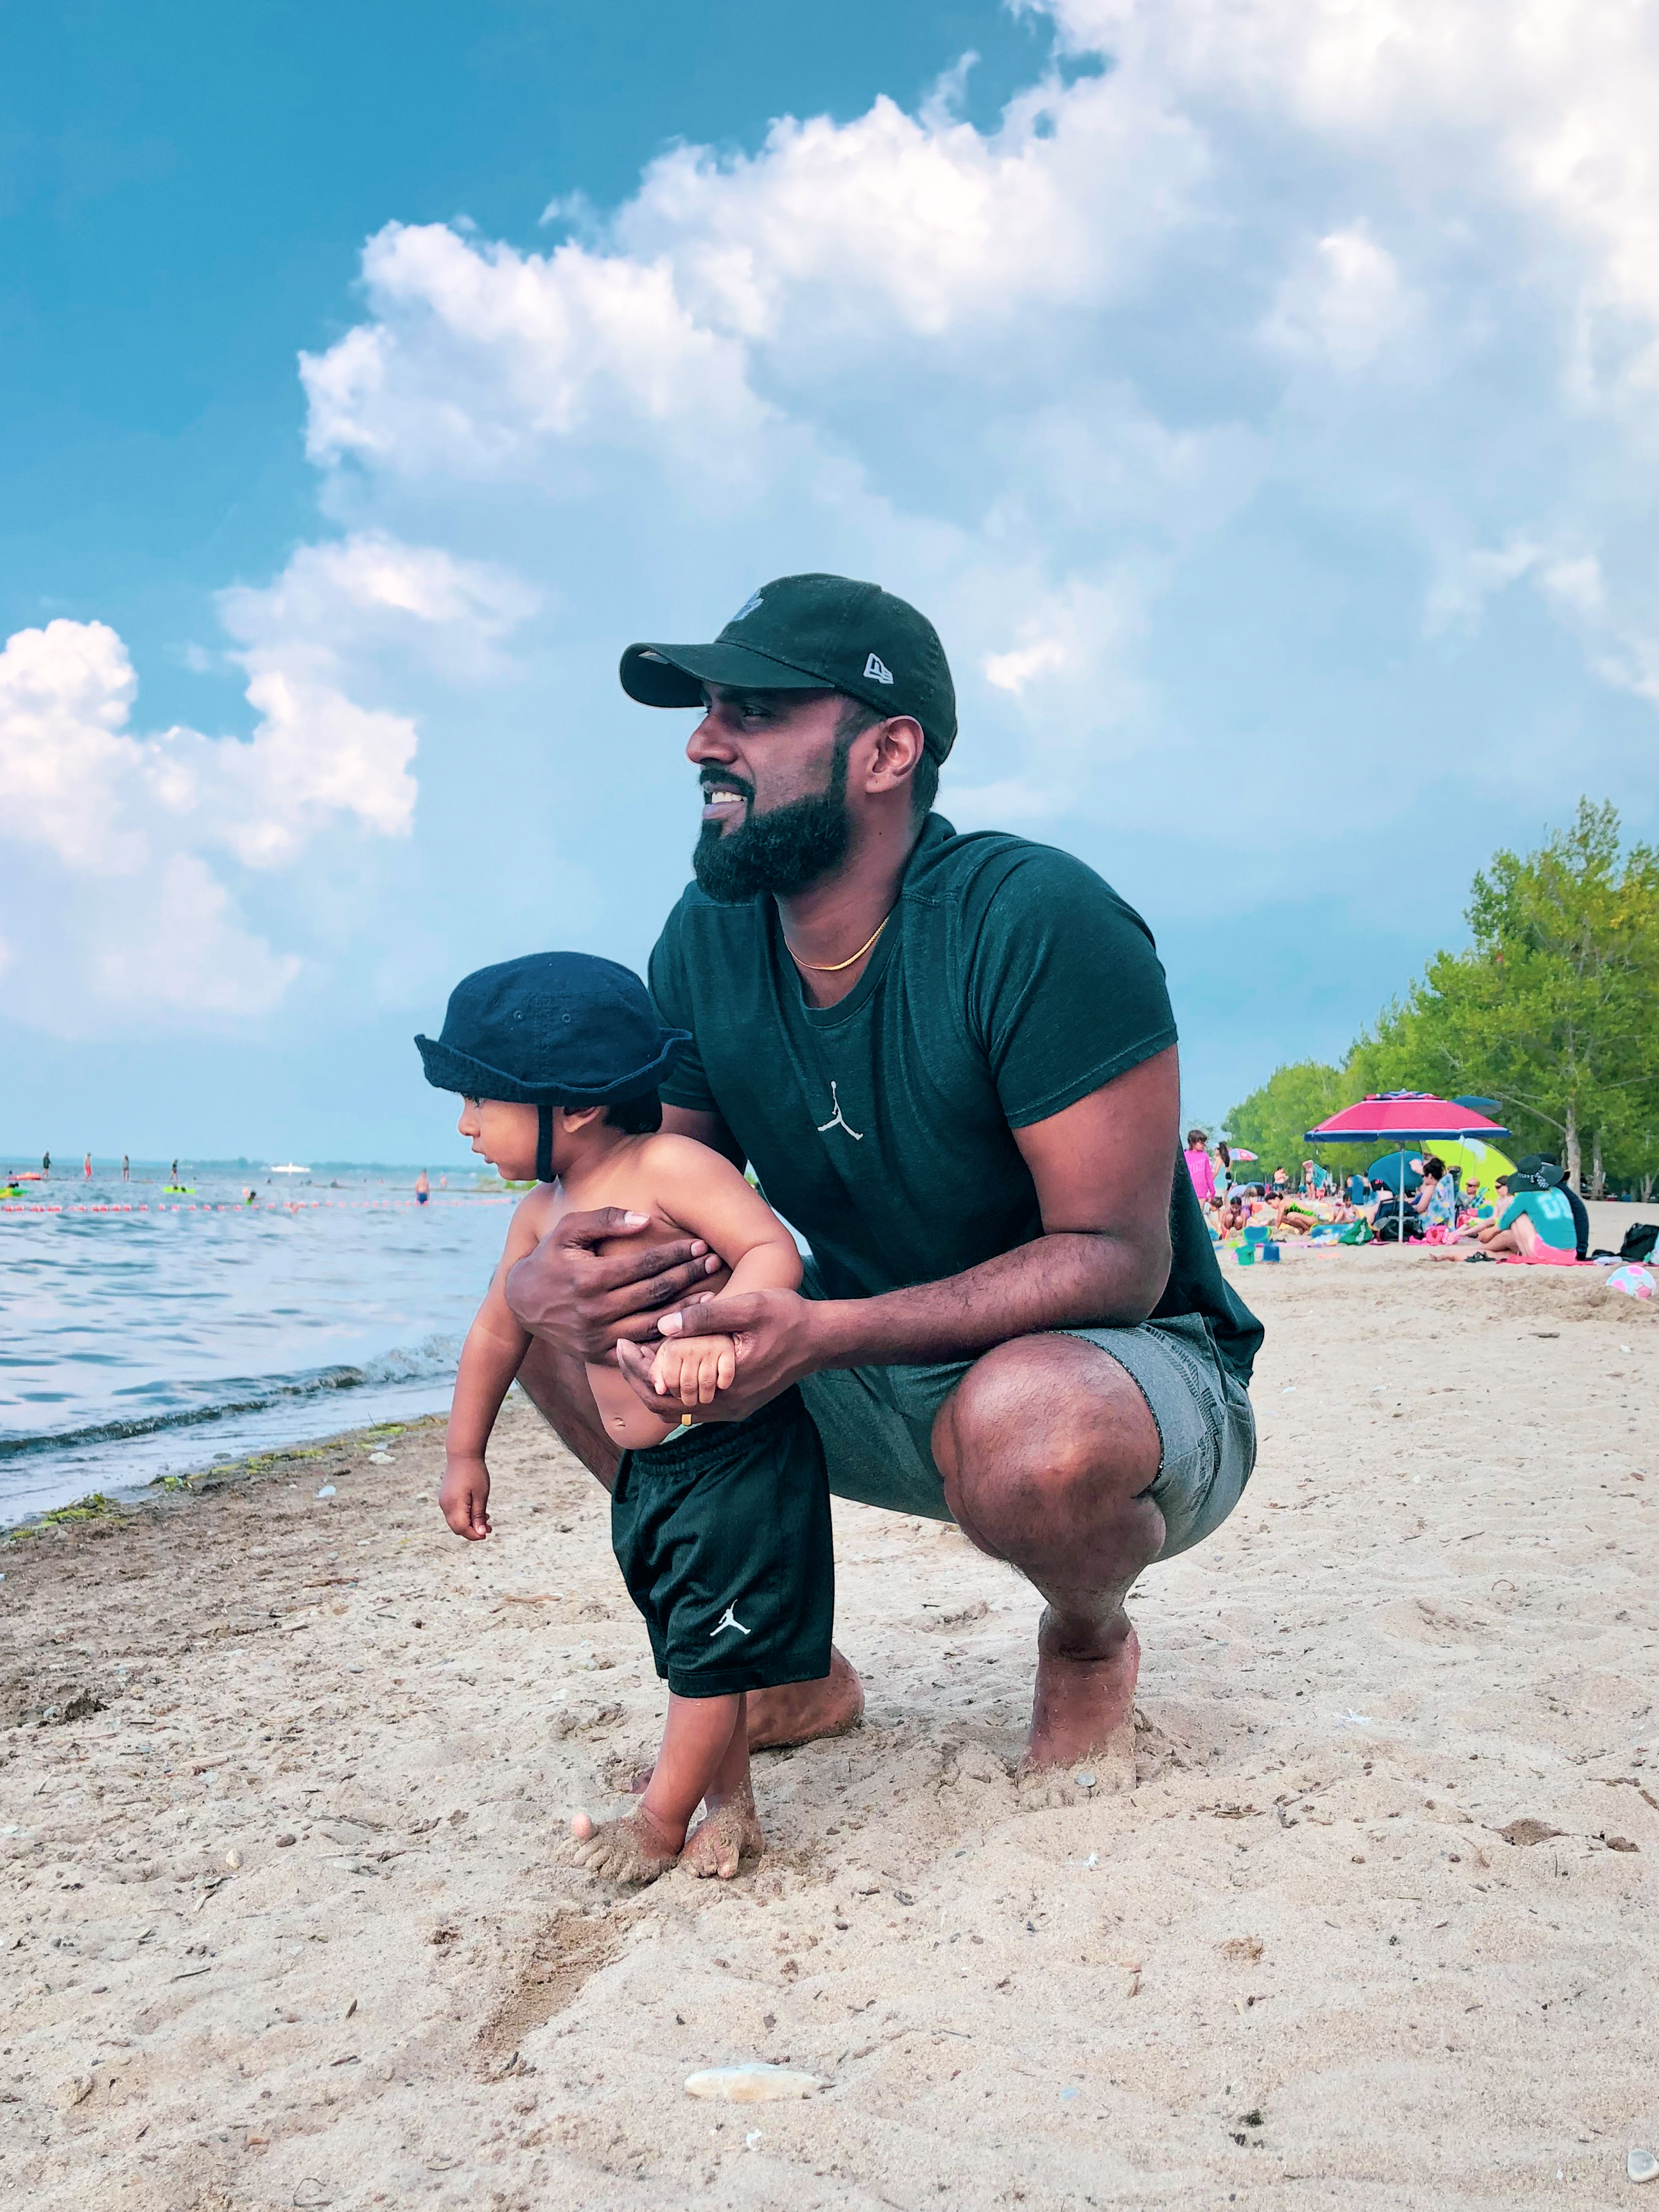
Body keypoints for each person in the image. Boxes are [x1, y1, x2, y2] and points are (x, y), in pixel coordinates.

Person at [500, 572, 1262, 1779]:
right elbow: (654, 1190)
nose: (703, 741)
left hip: (1125, 1386)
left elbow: (1119, 1261)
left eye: (751, 712)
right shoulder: (706, 938)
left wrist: (821, 1329)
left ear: (885, 752)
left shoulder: (1031, 919)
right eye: (705, 710)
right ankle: (784, 1664)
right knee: (553, 1316)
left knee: (1036, 1434)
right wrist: (561, 1282)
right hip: (864, 1367)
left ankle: (1083, 1639)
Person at [418, 952, 829, 1882]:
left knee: (707, 1652)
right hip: (653, 1473)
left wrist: (712, 1332)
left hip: (734, 1449)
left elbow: (774, 1251)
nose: (465, 1122)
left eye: (483, 1100)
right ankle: (734, 1810)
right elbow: (495, 1332)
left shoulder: (671, 1166)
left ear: (574, 1107)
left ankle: (657, 1820)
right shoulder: (538, 1214)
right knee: (693, 1645)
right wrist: (462, 1452)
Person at [1473, 1168, 1578, 1264]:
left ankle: (1528, 1256)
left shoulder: (1526, 1195)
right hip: (1571, 1255)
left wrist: (1488, 1233)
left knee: (1518, 1218)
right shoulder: (1559, 1192)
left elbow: (1504, 1223)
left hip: (1548, 1254)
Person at [1183, 1129, 1215, 1206]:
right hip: (1188, 1190)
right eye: (1201, 1143)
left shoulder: (1204, 1156)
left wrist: (1212, 1191)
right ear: (1193, 1142)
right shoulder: (1185, 1156)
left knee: (1199, 1214)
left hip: (1201, 1191)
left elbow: (1208, 1175)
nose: (1204, 1145)